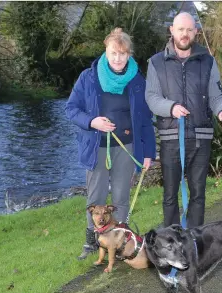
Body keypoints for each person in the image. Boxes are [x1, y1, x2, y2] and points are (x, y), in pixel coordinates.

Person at [65, 27, 156, 260]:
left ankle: (121, 239)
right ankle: (91, 241)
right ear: (106, 51)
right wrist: (92, 121)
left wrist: (147, 153)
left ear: (129, 55)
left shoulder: (137, 80)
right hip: (96, 146)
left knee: (120, 195)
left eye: (122, 54)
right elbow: (71, 109)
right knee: (95, 196)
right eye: (113, 53)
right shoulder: (88, 77)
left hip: (127, 147)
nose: (117, 58)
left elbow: (146, 120)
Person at [145, 12, 222, 229]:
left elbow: (217, 95)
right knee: (170, 195)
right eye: (181, 29)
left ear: (195, 31)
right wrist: (171, 107)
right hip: (170, 137)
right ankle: (170, 243)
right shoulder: (156, 62)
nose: (185, 34)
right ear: (172, 31)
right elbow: (151, 97)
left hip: (201, 138)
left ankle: (195, 244)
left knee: (198, 194)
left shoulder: (208, 61)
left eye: (189, 30)